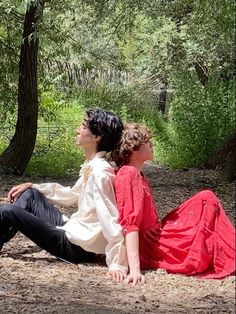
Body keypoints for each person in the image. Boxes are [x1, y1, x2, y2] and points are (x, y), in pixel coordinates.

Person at [0, 108, 128, 282]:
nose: (78, 129)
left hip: (76, 247)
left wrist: (117, 263)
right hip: (72, 228)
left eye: (83, 126)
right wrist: (33, 185)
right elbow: (71, 194)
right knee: (29, 194)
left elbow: (110, 218)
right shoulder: (94, 165)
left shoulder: (100, 173)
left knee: (7, 211)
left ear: (97, 136)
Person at [113, 123, 235, 285]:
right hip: (151, 244)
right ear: (134, 149)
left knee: (205, 200)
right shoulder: (128, 173)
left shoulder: (136, 173)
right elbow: (130, 223)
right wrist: (135, 270)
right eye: (147, 142)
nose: (152, 145)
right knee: (207, 199)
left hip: (155, 233)